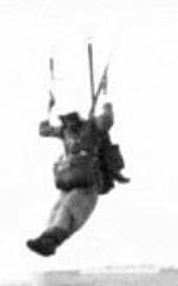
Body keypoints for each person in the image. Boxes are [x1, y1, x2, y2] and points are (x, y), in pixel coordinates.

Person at [27, 102, 125, 257]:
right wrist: (47, 108)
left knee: (68, 208)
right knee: (58, 209)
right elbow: (44, 130)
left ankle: (50, 240)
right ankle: (46, 238)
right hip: (70, 178)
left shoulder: (91, 126)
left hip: (86, 182)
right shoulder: (68, 130)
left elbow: (106, 121)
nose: (70, 124)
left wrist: (107, 107)